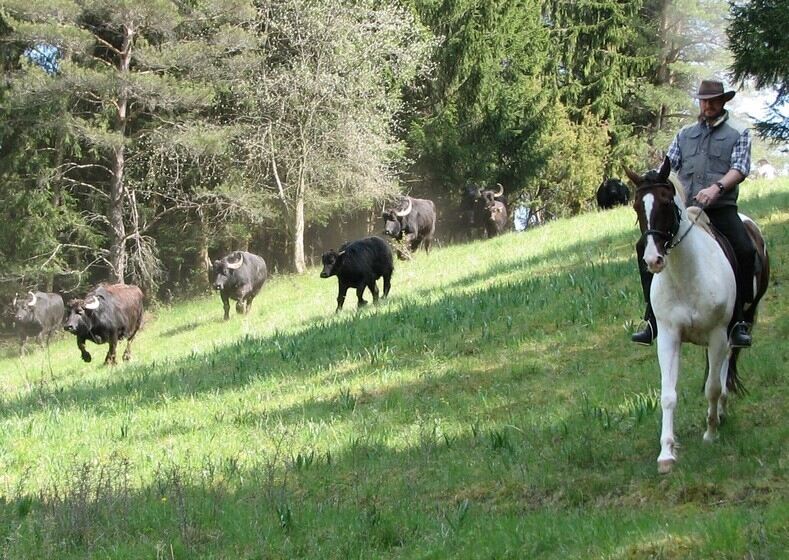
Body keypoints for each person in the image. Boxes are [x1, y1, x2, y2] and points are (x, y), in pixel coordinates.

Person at [632, 80, 756, 348]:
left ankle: (738, 321)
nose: (708, 105)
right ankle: (652, 319)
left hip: (720, 208)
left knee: (745, 249)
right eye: (703, 100)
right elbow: (669, 165)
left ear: (723, 101)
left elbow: (741, 167)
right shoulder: (685, 134)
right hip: (685, 211)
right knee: (644, 244)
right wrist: (650, 180)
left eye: (713, 100)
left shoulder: (739, 132)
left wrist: (717, 188)